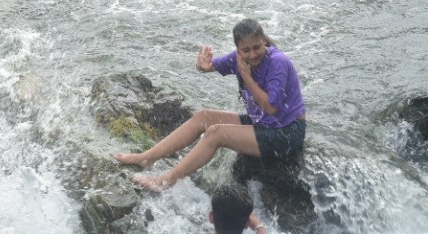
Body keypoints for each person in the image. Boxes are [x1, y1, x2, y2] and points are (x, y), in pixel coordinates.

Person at [115, 18, 306, 191]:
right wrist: (202, 65)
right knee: (204, 116)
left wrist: (246, 76)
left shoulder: (277, 62)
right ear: (238, 49)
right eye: (246, 50)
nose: (253, 54)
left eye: (257, 47)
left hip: (286, 133)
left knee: (216, 133)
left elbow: (271, 108)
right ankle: (147, 157)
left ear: (264, 40)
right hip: (263, 123)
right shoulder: (239, 58)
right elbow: (209, 66)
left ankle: (166, 180)